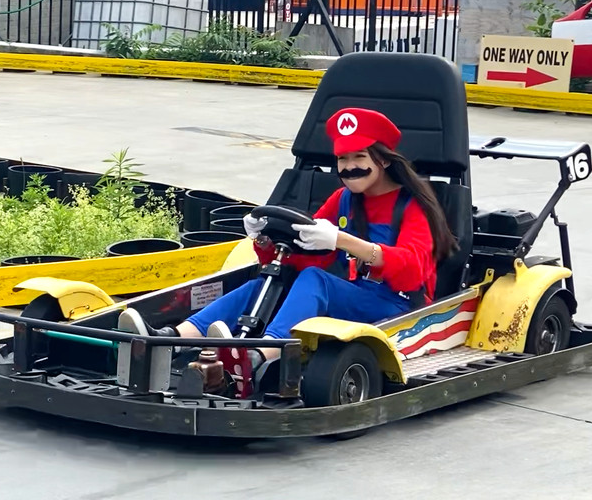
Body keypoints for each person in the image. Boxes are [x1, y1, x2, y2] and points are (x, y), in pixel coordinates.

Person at [118, 107, 459, 370]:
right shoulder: (343, 200)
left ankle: (258, 356)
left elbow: (413, 270)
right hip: (353, 295)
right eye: (342, 158)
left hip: (396, 305)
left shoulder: (412, 206)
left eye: (359, 157)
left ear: (382, 159)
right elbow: (307, 255)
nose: (349, 167)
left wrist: (342, 240)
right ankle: (171, 338)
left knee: (315, 281)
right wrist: (265, 242)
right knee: (271, 279)